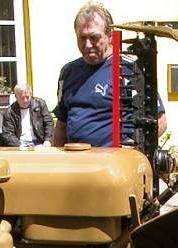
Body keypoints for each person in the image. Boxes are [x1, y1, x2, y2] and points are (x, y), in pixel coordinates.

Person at [53, 2, 166, 147]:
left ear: (110, 36)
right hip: (76, 163)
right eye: (82, 38)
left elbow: (160, 121)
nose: (88, 44)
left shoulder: (129, 70)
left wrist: (132, 150)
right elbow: (61, 125)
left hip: (114, 165)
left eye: (94, 37)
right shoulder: (68, 72)